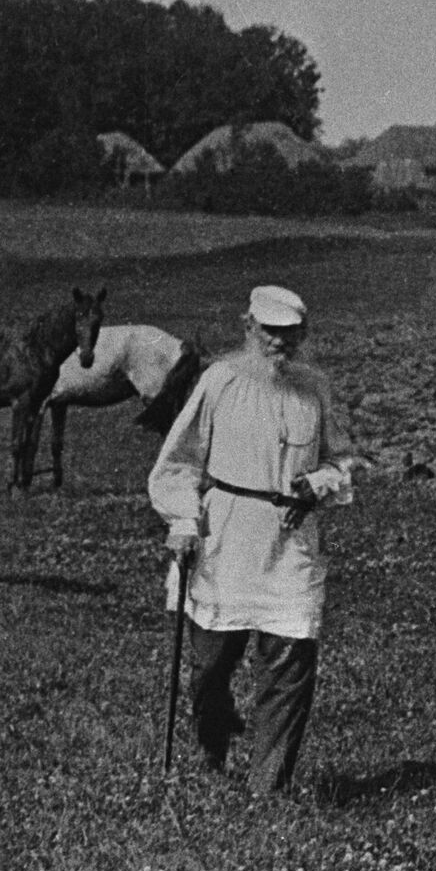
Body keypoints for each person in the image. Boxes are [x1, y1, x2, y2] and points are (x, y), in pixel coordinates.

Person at [147, 284, 359, 793]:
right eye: (270, 331)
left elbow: (345, 458)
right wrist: (181, 521)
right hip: (226, 539)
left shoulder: (315, 388)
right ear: (248, 327)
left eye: (290, 333)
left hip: (290, 546)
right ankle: (211, 749)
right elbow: (178, 461)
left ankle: (268, 788)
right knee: (210, 667)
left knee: (290, 664)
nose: (280, 343)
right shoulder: (219, 381)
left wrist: (319, 483)